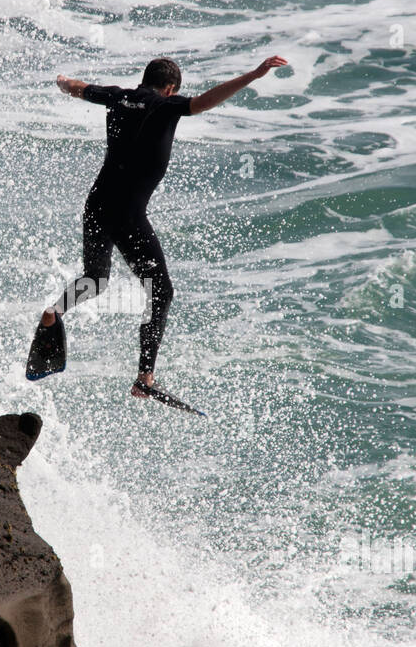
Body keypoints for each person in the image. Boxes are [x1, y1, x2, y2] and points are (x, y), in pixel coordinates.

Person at [27, 53, 288, 398]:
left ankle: (53, 312)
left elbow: (77, 87)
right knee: (162, 292)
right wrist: (253, 75)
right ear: (169, 89)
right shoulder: (165, 106)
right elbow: (205, 101)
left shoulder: (117, 95)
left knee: (95, 279)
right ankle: (145, 378)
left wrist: (61, 81)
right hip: (128, 216)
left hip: (96, 207)